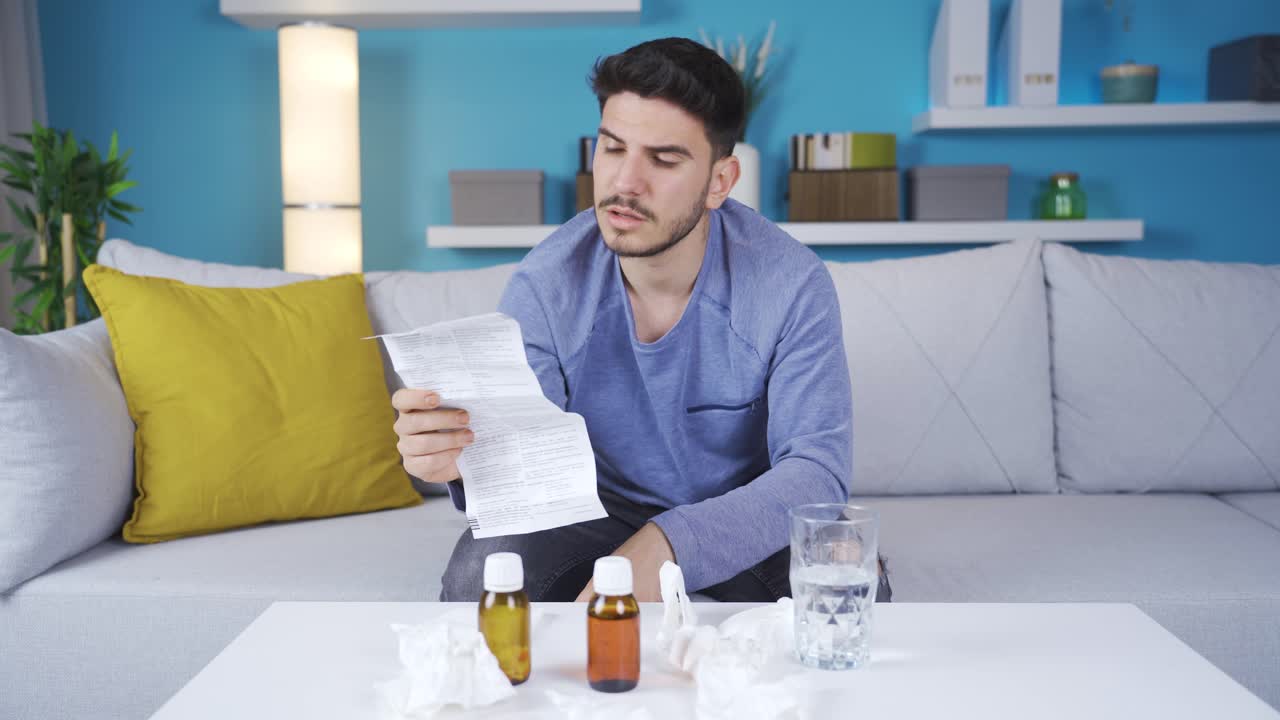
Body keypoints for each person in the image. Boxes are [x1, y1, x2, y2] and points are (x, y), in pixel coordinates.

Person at [392, 37, 890, 604]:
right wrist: (459, 460)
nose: (626, 182)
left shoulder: (792, 284)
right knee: (479, 575)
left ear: (720, 182)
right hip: (589, 512)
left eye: (664, 159)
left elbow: (815, 474)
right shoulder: (546, 282)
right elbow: (530, 464)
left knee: (849, 581)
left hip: (739, 516)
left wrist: (666, 544)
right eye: (612, 148)